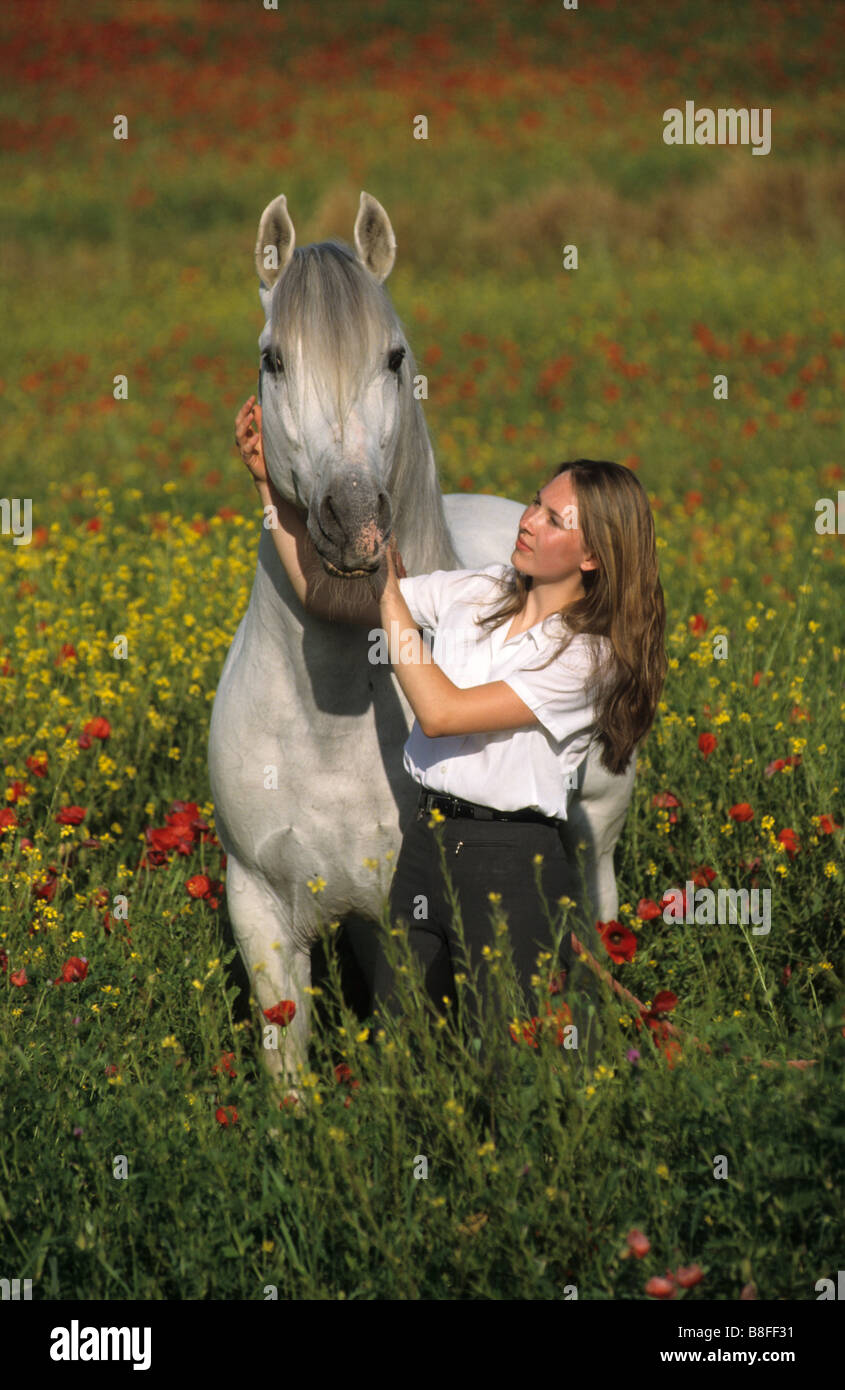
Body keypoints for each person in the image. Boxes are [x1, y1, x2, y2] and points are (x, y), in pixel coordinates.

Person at [234, 395, 667, 1059]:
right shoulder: (479, 591)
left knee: (507, 1059)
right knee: (398, 1053)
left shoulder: (586, 655)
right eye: (534, 502)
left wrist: (386, 594)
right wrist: (272, 490)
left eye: (555, 520)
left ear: (591, 556)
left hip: (512, 862)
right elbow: (327, 596)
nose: (528, 521)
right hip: (426, 846)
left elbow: (441, 711)